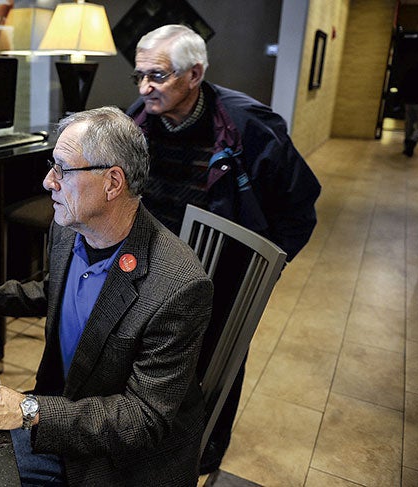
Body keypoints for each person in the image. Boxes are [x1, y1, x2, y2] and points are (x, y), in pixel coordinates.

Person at [0, 106, 214, 485]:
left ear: (112, 183)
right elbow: (53, 291)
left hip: (116, 461)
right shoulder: (70, 227)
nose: (48, 182)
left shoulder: (178, 286)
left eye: (63, 169)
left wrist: (27, 409)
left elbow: (143, 419)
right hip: (67, 409)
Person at [126, 24, 322, 474]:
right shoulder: (139, 114)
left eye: (157, 75)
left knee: (213, 366)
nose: (144, 88)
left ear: (194, 75)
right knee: (149, 360)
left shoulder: (249, 125)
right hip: (149, 267)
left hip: (218, 274)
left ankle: (203, 454)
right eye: (139, 75)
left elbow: (299, 206)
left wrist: (264, 269)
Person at [399, 54, 418, 157]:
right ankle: (412, 141)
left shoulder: (411, 70)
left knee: (409, 123)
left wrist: (401, 99)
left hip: (409, 101)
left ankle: (407, 143)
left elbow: (403, 84)